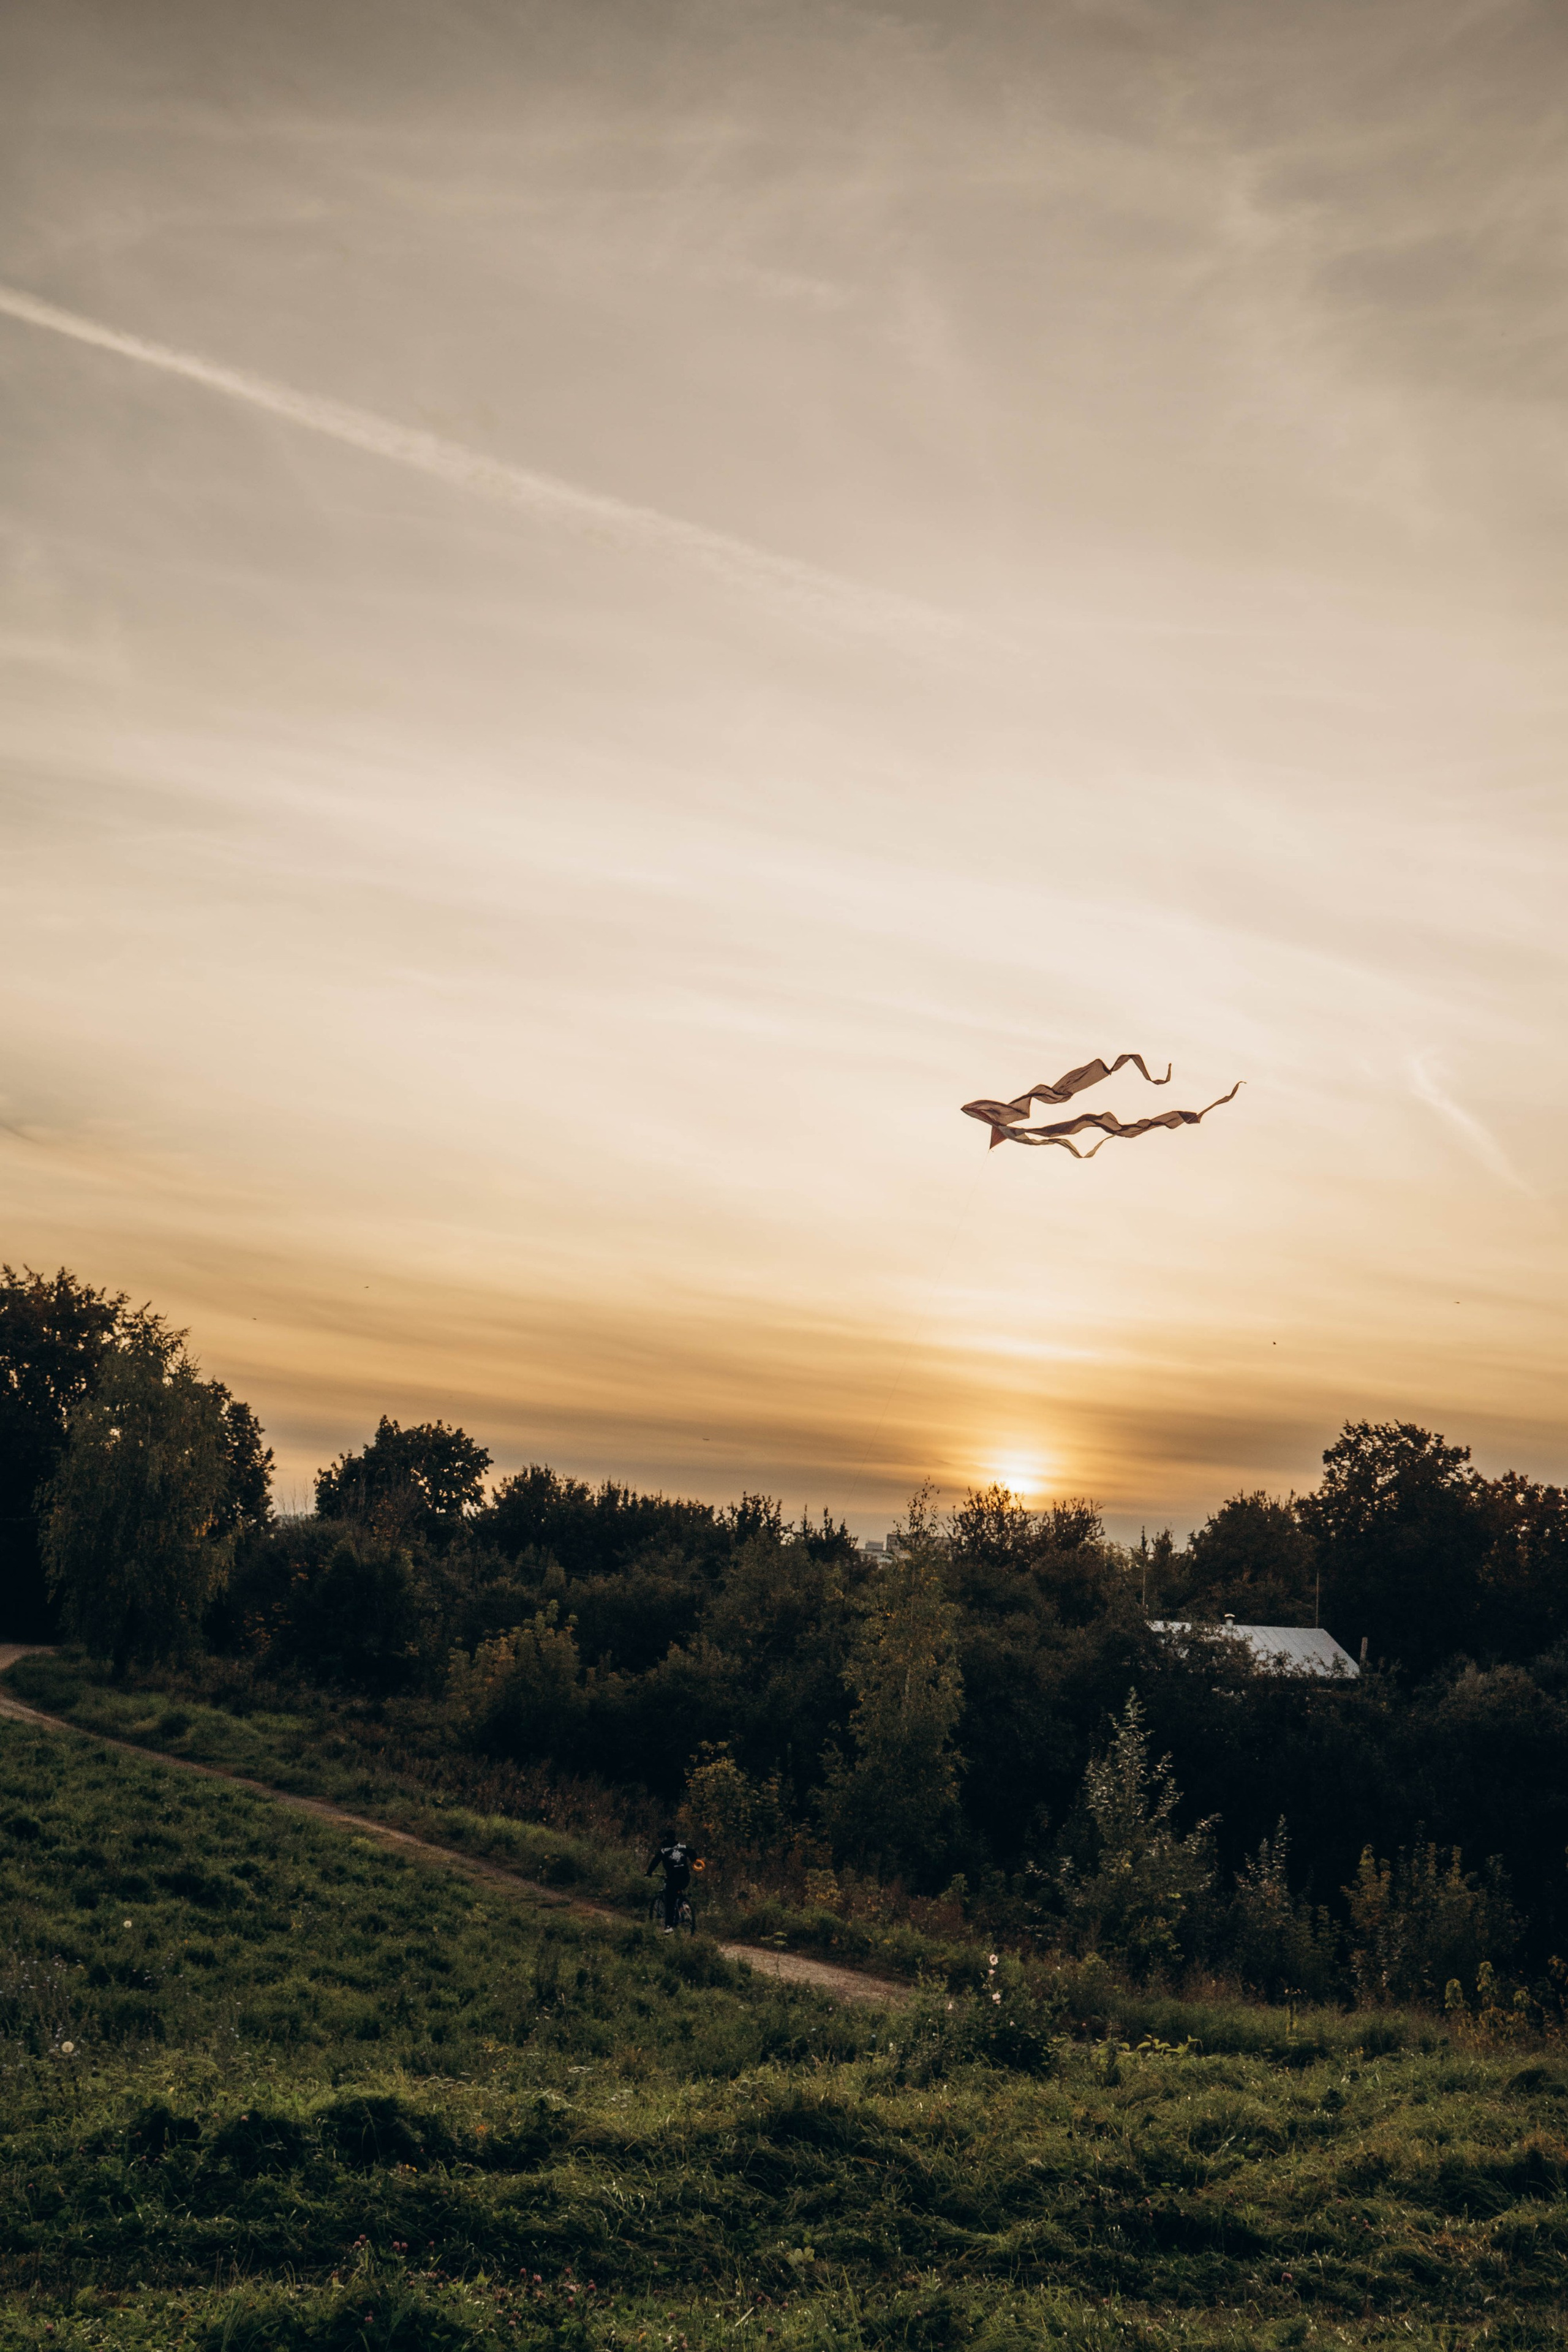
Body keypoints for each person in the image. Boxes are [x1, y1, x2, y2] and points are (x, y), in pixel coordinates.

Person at [645, 1826, 701, 1931]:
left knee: (670, 1901)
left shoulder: (664, 1851)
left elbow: (654, 1862)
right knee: (677, 1892)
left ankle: (669, 1926)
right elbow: (693, 1853)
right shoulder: (683, 1847)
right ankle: (683, 1905)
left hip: (673, 1879)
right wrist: (694, 1860)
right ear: (675, 1838)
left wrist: (649, 1873)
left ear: (666, 1838)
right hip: (685, 1878)